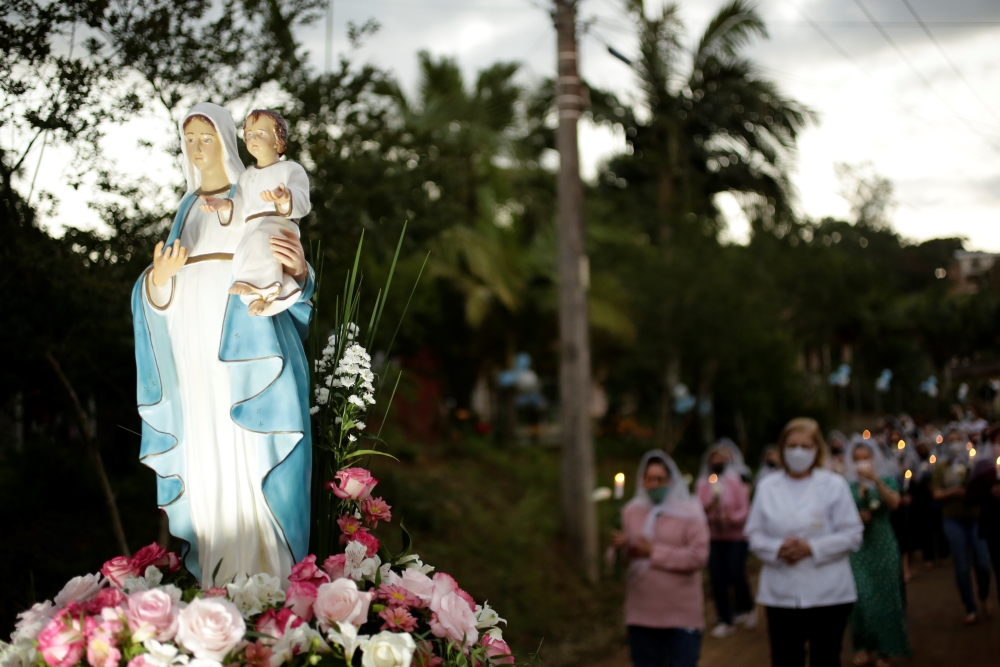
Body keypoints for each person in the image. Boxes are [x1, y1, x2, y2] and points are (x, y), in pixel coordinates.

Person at [133, 103, 315, 586]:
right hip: (193, 355)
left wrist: (297, 269)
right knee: (207, 458)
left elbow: (287, 271)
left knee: (248, 452)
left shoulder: (253, 190)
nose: (197, 149)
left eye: (206, 137)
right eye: (189, 139)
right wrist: (159, 280)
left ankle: (268, 584)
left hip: (244, 353)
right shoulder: (187, 210)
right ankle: (219, 583)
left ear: (227, 139)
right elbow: (154, 296)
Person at [745, 417, 863, 667]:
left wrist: (812, 548)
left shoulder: (834, 485)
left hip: (829, 592)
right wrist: (778, 549)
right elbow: (754, 535)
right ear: (782, 449)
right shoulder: (767, 486)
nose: (798, 452)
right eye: (792, 445)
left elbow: (852, 534)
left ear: (817, 449)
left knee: (826, 657)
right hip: (781, 593)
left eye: (805, 446)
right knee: (785, 658)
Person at [202, 109, 311, 315]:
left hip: (278, 223)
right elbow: (241, 209)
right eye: (249, 134)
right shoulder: (246, 176)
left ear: (277, 140)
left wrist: (284, 197)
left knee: (262, 238)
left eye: (261, 134)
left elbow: (302, 201)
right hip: (252, 227)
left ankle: (264, 289)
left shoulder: (290, 169)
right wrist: (223, 205)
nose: (253, 139)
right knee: (244, 250)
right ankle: (257, 298)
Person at [610, 450, 710, 667]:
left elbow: (699, 557)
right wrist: (619, 548)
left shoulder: (690, 512)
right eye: (649, 479)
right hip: (642, 613)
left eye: (660, 479)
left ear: (671, 481)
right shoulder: (630, 512)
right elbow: (616, 563)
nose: (654, 484)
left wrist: (653, 552)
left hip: (682, 615)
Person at [843, 436, 911, 666]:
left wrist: (876, 482)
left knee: (885, 597)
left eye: (866, 458)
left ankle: (885, 649)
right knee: (860, 598)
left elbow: (894, 504)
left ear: (874, 459)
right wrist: (855, 517)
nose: (862, 463)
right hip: (858, 549)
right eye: (857, 459)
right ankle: (864, 645)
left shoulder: (887, 480)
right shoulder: (846, 486)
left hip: (883, 545)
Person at [932, 427, 993, 624]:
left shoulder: (975, 464)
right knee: (961, 565)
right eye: (952, 440)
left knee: (983, 562)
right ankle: (970, 606)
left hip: (976, 518)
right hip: (952, 519)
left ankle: (983, 595)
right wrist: (952, 492)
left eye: (959, 439)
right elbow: (936, 494)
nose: (956, 443)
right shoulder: (941, 467)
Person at [695, 439, 755, 637]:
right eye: (714, 459)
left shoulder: (735, 481)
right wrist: (708, 509)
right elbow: (696, 510)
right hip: (713, 537)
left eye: (721, 459)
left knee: (736, 573)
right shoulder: (703, 484)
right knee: (717, 577)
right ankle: (724, 617)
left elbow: (744, 509)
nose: (717, 462)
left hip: (736, 536)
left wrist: (733, 518)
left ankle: (746, 606)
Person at [967, 424, 1000, 607]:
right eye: (997, 442)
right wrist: (990, 493)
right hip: (993, 526)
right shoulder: (984, 468)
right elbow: (970, 497)